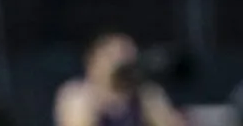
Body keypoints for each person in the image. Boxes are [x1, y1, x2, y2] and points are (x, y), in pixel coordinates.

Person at [54, 32, 185, 126]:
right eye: (114, 55)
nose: (123, 62)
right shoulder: (78, 95)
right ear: (94, 61)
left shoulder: (144, 94)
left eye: (127, 55)